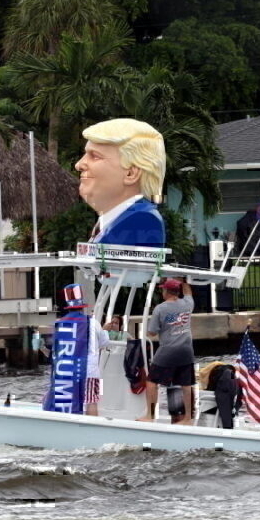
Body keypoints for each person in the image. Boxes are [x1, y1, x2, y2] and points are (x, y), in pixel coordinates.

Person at [75, 118, 166, 248]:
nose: (79, 165)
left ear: (131, 173)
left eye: (95, 156)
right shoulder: (112, 221)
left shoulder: (141, 220)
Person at [44, 284, 109, 416]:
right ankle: (91, 431)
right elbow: (105, 343)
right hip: (90, 371)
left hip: (67, 372)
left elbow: (54, 347)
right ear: (82, 306)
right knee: (92, 401)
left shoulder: (59, 323)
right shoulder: (93, 323)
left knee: (66, 401)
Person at [138, 278, 195, 424]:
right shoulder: (188, 304)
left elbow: (151, 333)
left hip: (168, 350)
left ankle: (150, 416)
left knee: (151, 381)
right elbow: (188, 293)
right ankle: (188, 418)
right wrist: (184, 281)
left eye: (163, 289)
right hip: (187, 350)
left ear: (166, 291)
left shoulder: (160, 309)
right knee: (186, 384)